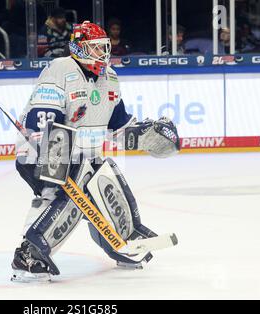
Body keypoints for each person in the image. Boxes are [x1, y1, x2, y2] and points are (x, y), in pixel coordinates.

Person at [11, 21, 180, 282]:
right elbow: (41, 123)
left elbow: (119, 126)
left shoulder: (110, 78)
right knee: (59, 197)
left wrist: (145, 136)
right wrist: (54, 154)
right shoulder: (60, 69)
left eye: (105, 47)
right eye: (96, 48)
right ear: (79, 48)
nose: (103, 53)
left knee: (103, 183)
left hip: (83, 155)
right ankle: (28, 255)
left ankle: (123, 240)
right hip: (42, 152)